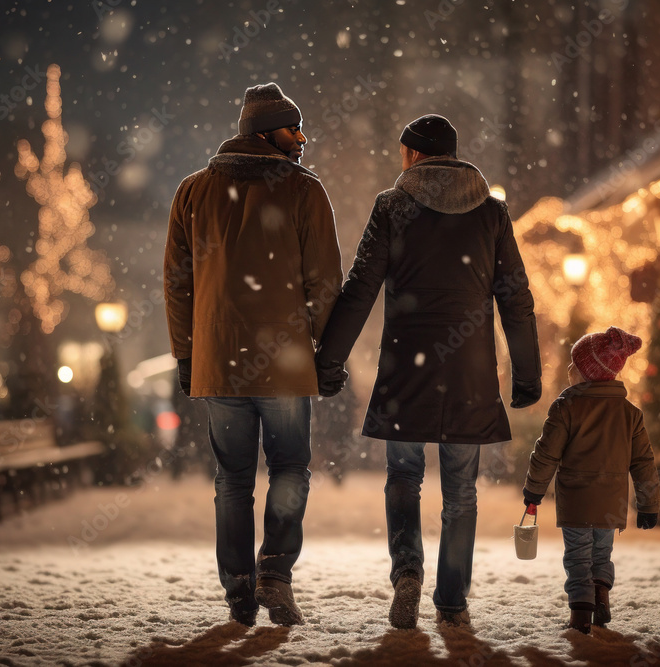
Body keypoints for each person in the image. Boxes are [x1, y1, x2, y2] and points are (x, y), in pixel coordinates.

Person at [315, 114, 541, 629]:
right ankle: (453, 597)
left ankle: (407, 573)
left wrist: (329, 360)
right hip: (470, 373)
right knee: (461, 490)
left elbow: (360, 290)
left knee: (403, 476)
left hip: (406, 371)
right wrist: (526, 376)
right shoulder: (492, 213)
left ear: (414, 155)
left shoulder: (392, 207)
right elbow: (516, 299)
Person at [163, 82, 342, 627]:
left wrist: (186, 354)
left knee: (232, 477)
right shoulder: (304, 191)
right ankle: (275, 574)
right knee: (289, 468)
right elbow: (325, 282)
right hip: (285, 362)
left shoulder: (193, 191)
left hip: (218, 360)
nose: (302, 138)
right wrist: (326, 355)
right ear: (267, 133)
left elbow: (178, 282)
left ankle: (238, 586)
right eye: (294, 128)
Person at [521, 327, 660, 634]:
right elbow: (643, 462)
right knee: (601, 553)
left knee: (578, 557)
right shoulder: (629, 413)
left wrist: (534, 489)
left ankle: (581, 616)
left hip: (576, 502)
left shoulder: (566, 406)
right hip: (611, 504)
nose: (570, 369)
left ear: (587, 372)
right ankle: (601, 594)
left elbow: (546, 454)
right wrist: (649, 504)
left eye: (575, 364)